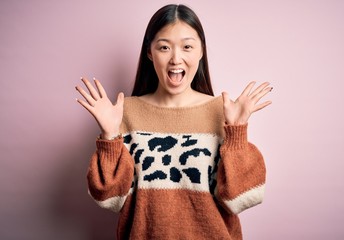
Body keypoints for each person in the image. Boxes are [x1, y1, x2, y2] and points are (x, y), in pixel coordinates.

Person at [75, 4, 272, 240]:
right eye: (164, 47)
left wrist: (237, 133)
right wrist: (109, 136)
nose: (176, 59)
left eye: (187, 46)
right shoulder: (124, 113)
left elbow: (240, 199)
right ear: (150, 52)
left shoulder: (224, 113)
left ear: (201, 51)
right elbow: (110, 199)